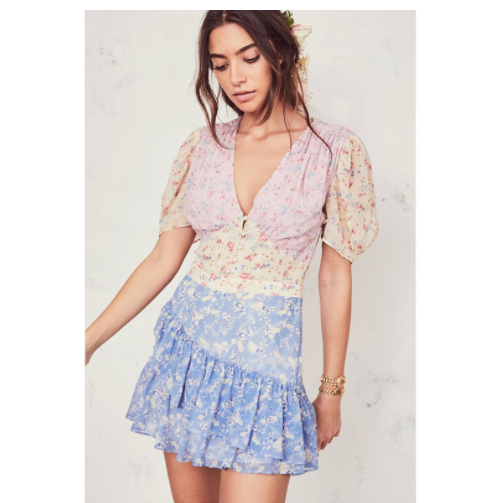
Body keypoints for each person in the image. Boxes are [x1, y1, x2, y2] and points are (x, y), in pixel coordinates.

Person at [86, 10, 380, 503]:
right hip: (188, 358)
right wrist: (86, 342)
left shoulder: (334, 151)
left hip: (266, 375)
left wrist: (332, 389)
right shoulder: (202, 146)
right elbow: (163, 258)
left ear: (280, 54)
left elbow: (334, 276)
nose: (235, 77)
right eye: (220, 65)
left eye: (249, 58)